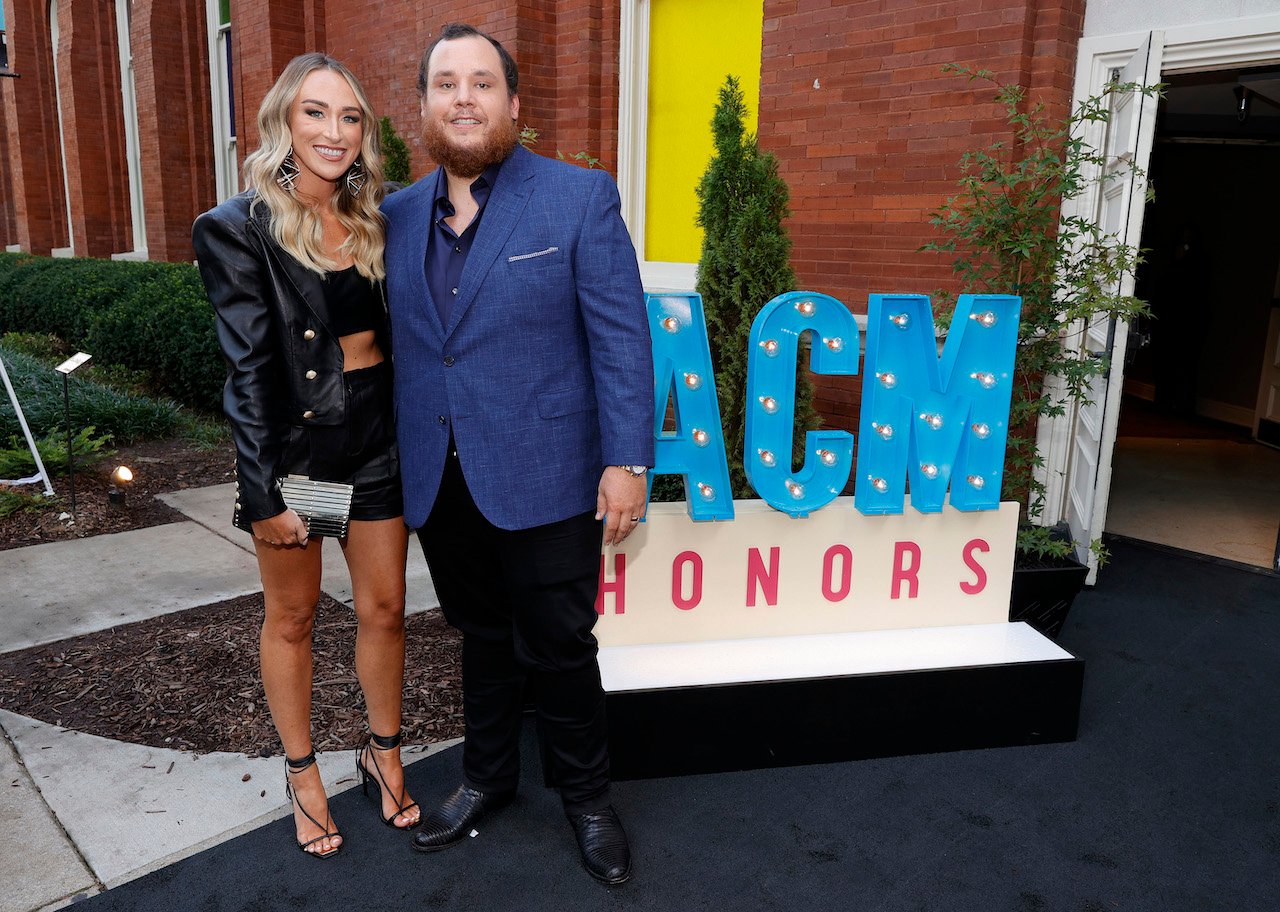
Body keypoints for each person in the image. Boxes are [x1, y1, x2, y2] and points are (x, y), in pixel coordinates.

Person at [382, 23, 653, 885]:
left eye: (481, 83)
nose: (463, 97)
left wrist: (628, 460)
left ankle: (588, 800)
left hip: (547, 472)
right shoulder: (393, 215)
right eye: (445, 84)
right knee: (479, 637)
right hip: (439, 476)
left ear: (513, 104)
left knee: (561, 645)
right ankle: (487, 779)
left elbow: (621, 341)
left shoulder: (578, 198)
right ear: (423, 107)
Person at [192, 52, 421, 858]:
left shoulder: (376, 219)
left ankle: (381, 750)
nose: (335, 131)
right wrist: (262, 493)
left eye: (350, 116)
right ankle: (302, 773)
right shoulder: (237, 228)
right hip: (304, 451)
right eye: (316, 113)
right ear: (284, 122)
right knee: (292, 617)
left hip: (377, 435)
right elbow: (248, 371)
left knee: (385, 608)